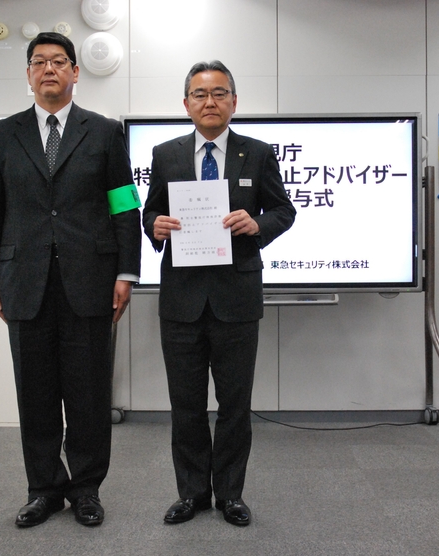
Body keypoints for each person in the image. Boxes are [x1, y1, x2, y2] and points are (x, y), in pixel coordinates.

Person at [0, 32, 141, 528]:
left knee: (89, 393)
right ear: (28, 74)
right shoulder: (1, 134)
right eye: (39, 61)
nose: (49, 69)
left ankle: (86, 488)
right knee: (35, 393)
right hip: (23, 280)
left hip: (91, 279)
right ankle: (44, 489)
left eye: (59, 61)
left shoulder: (105, 132)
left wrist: (126, 270)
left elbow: (124, 204)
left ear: (75, 72)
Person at [143, 60, 296, 527]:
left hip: (236, 298)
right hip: (181, 300)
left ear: (233, 101)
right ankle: (192, 494)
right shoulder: (165, 154)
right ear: (186, 103)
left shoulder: (258, 153)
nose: (209, 102)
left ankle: (230, 495)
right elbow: (149, 213)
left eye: (219, 93)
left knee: (234, 406)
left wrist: (258, 223)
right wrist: (155, 226)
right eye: (200, 94)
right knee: (186, 406)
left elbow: (284, 211)